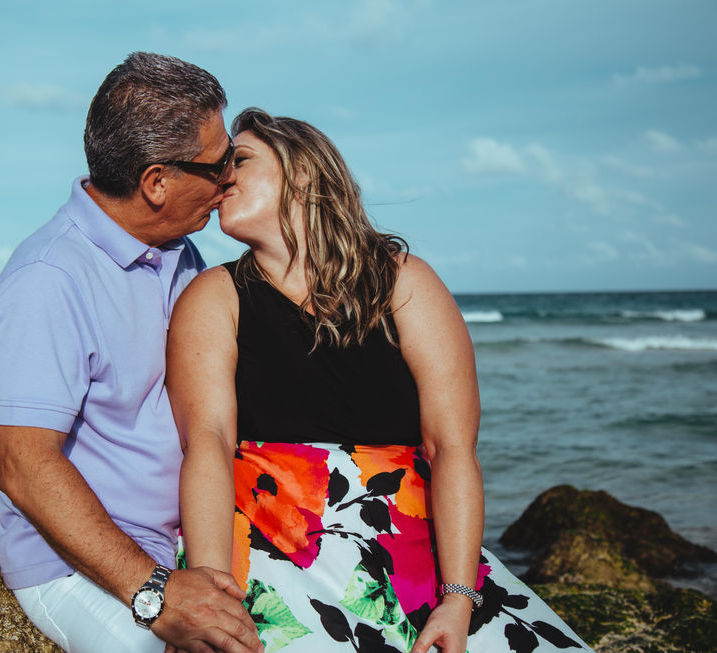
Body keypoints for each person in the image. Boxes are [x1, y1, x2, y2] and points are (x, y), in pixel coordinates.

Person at [166, 108, 593, 653]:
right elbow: (207, 443)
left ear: (303, 173)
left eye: (241, 160)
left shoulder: (403, 281)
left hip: (412, 555)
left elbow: (452, 447)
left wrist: (458, 596)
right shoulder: (214, 296)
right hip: (273, 549)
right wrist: (212, 592)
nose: (223, 175)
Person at [0, 53, 263, 653]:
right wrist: (155, 591)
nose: (229, 180)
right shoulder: (48, 279)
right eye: (219, 164)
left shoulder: (178, 252)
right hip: (81, 565)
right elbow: (24, 465)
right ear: (156, 182)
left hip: (181, 540)